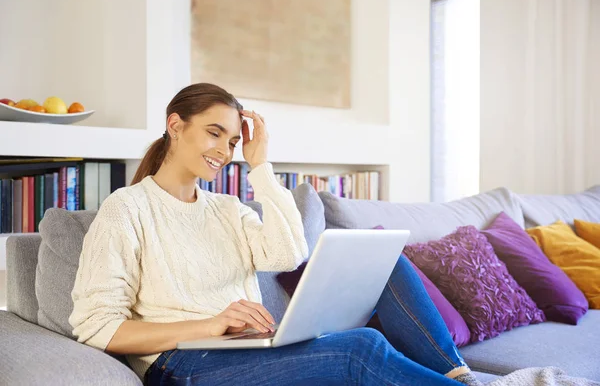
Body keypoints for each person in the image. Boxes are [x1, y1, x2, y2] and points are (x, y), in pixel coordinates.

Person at [69, 83, 485, 386]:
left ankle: (459, 376)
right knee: (361, 348)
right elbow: (97, 326)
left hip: (246, 348)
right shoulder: (127, 208)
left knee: (386, 263)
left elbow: (288, 255)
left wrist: (261, 168)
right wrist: (208, 325)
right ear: (175, 126)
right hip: (181, 365)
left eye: (232, 141)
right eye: (214, 133)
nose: (223, 150)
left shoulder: (227, 208)